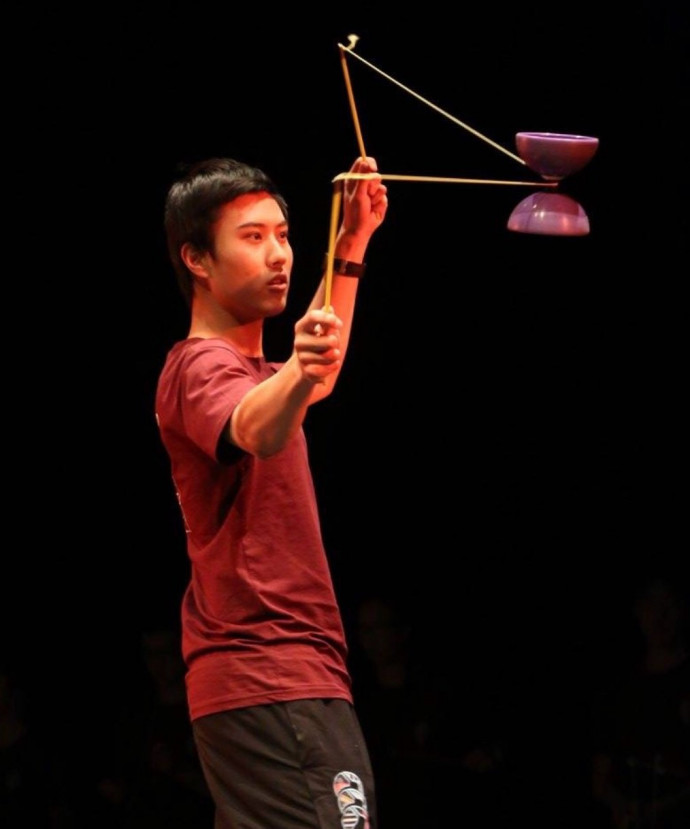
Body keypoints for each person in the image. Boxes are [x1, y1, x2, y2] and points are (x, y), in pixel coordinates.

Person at [155, 154, 388, 828]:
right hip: (270, 669)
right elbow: (255, 426)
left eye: (283, 235)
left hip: (271, 679)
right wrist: (301, 371)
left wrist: (350, 243)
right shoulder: (199, 366)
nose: (279, 254)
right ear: (197, 258)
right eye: (253, 237)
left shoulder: (253, 370)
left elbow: (309, 380)